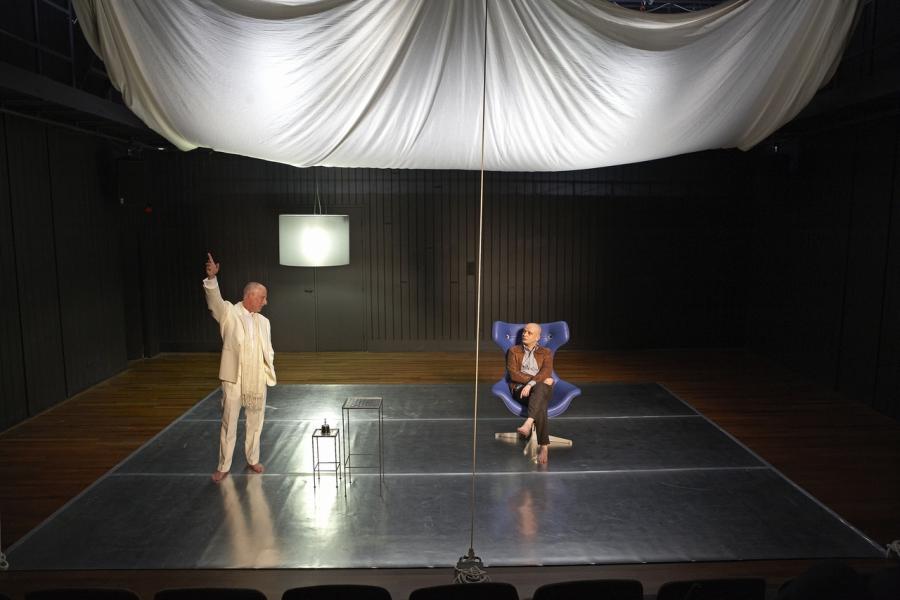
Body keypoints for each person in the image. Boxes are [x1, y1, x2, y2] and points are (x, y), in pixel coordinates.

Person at [203, 252, 276, 483]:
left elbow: (268, 350)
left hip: (256, 379)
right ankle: (223, 465)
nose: (265, 302)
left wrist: (266, 370)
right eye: (262, 297)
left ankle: (252, 458)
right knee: (229, 422)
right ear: (250, 296)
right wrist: (212, 279)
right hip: (235, 377)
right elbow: (214, 302)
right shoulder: (229, 313)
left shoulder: (264, 322)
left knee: (255, 421)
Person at [506, 322, 555, 464]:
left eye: (529, 333)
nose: (525, 334)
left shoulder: (546, 352)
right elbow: (513, 374)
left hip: (538, 388)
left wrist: (532, 384)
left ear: (537, 337)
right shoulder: (513, 351)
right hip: (520, 389)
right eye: (524, 331)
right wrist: (533, 382)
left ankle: (528, 422)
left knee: (540, 389)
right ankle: (544, 447)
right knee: (541, 398)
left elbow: (546, 372)